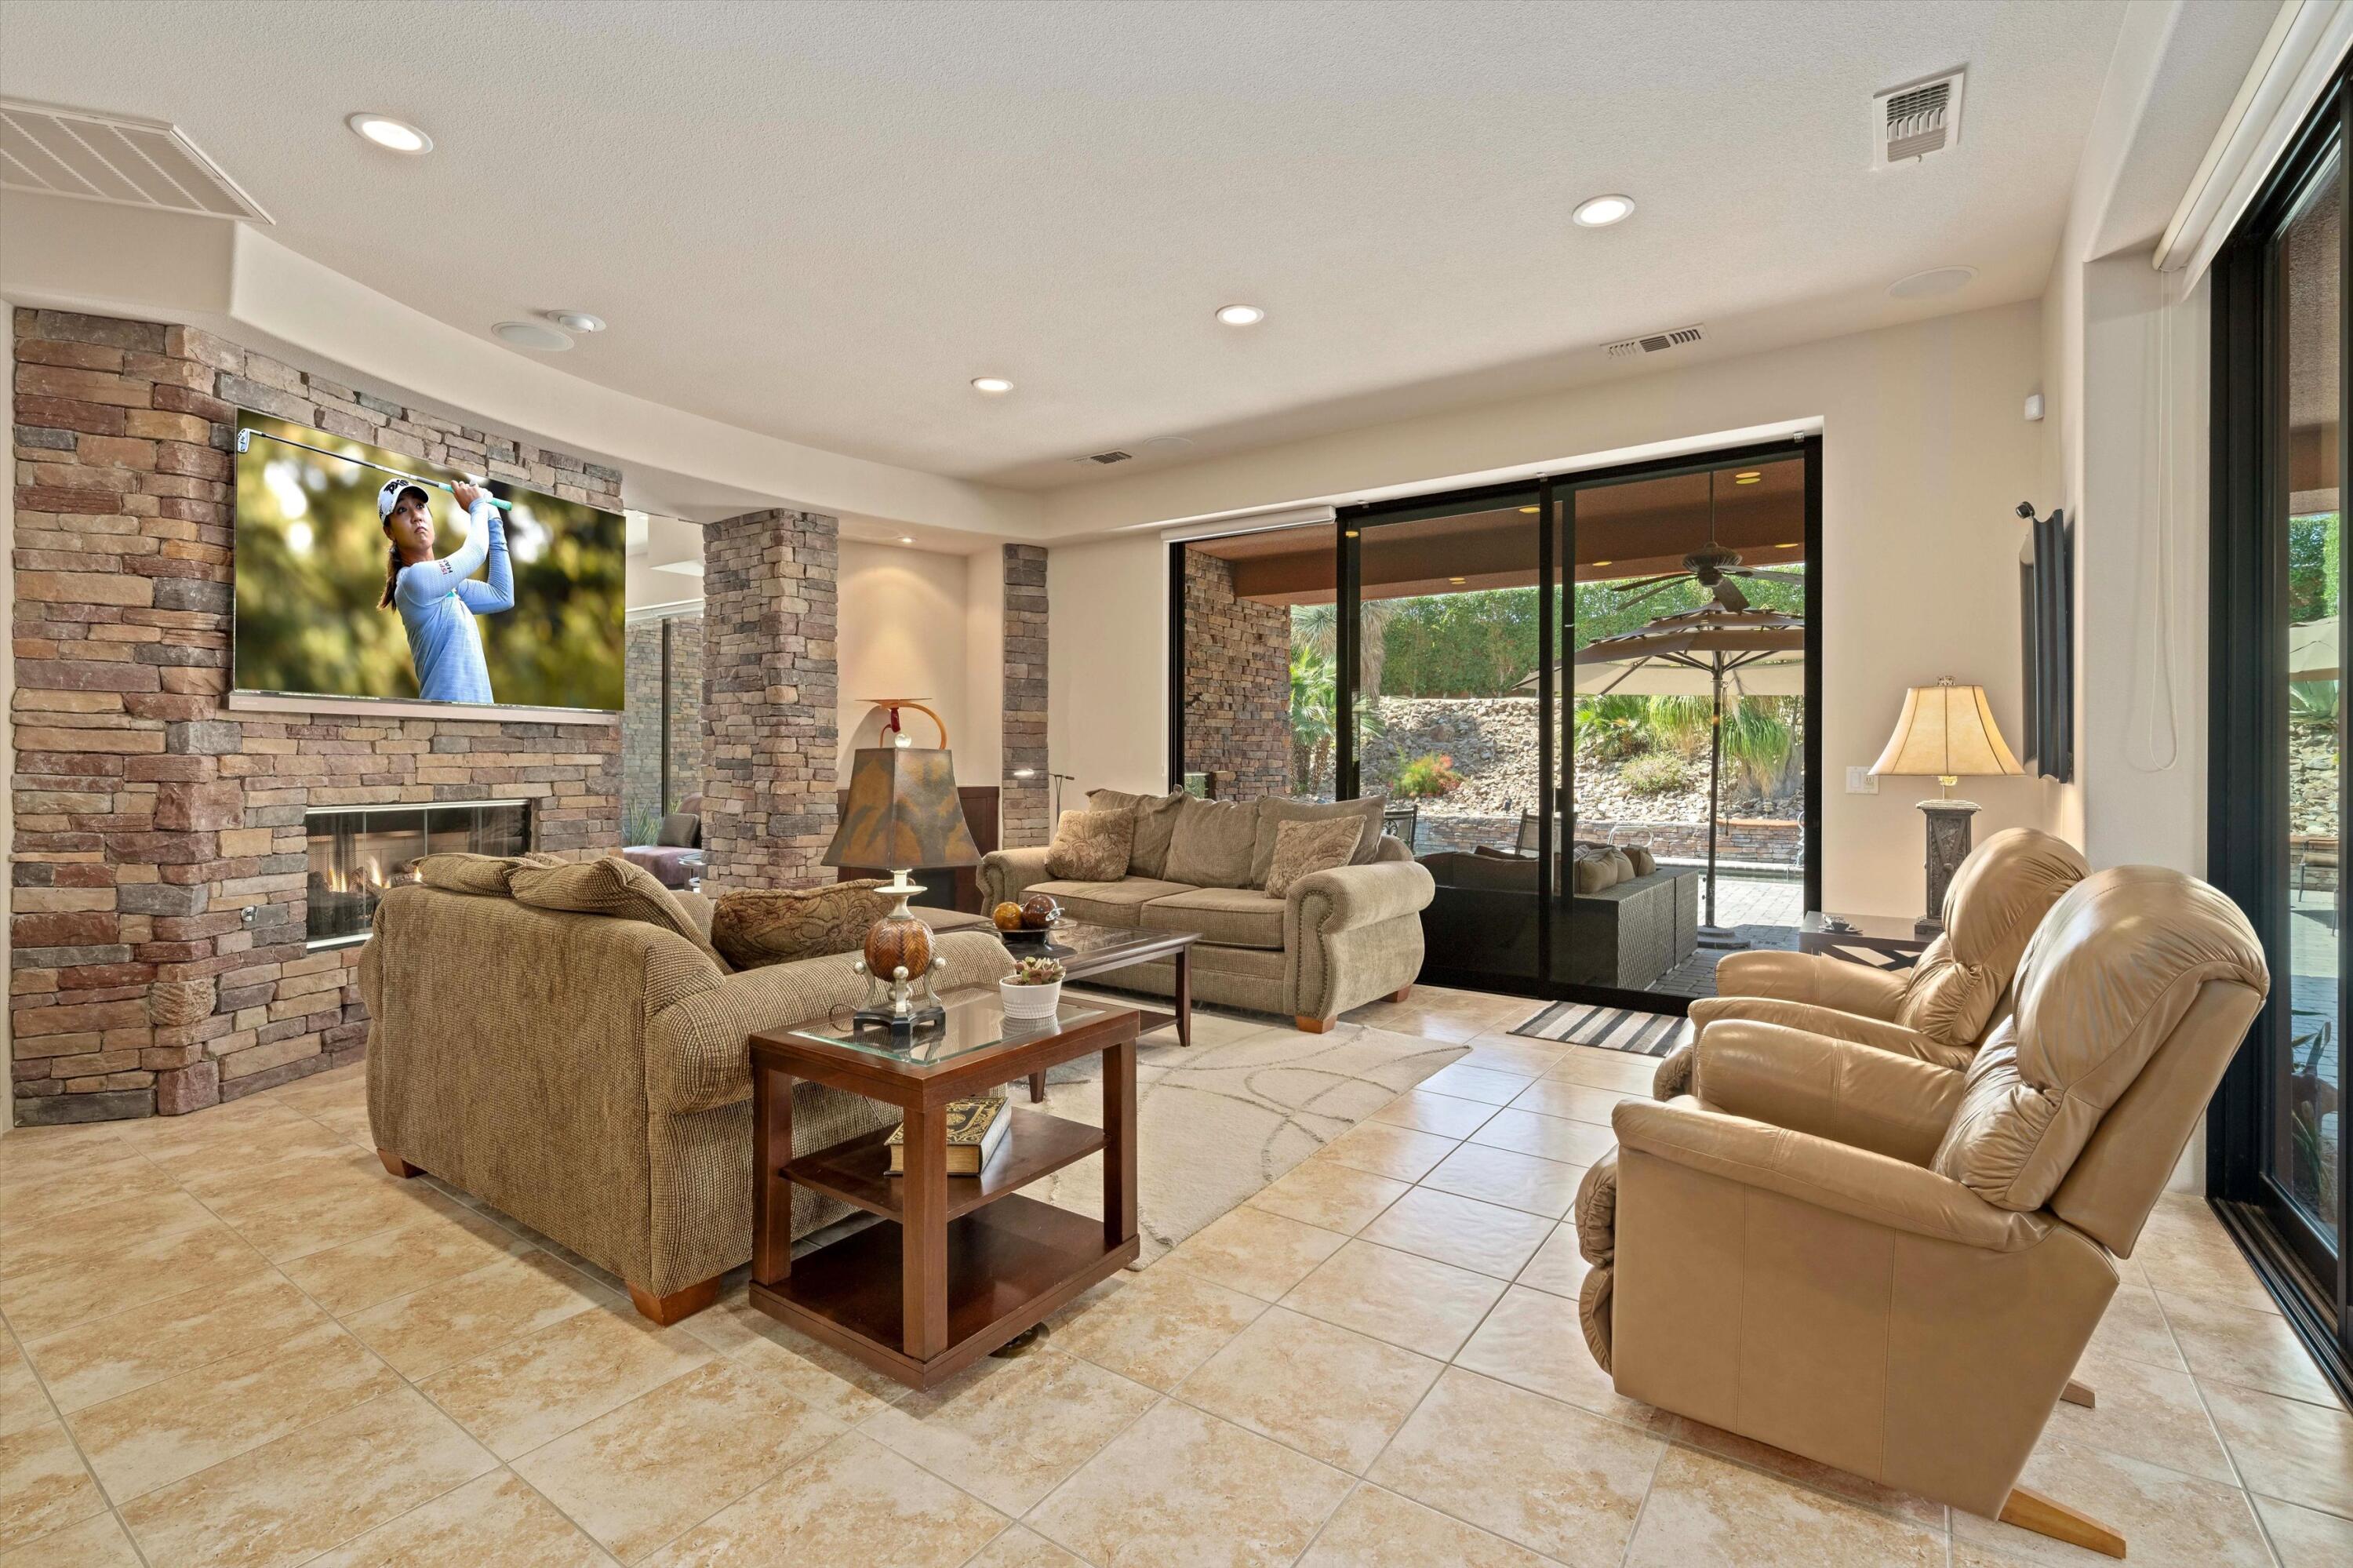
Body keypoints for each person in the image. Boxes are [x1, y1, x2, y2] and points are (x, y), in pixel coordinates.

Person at [375, 476, 511, 703]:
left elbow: (502, 595)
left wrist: (493, 517)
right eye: (401, 510)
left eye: (419, 506)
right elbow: (476, 552)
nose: (416, 515)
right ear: (389, 532)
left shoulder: (449, 586)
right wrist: (477, 506)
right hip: (445, 722)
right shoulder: (413, 580)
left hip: (480, 722)